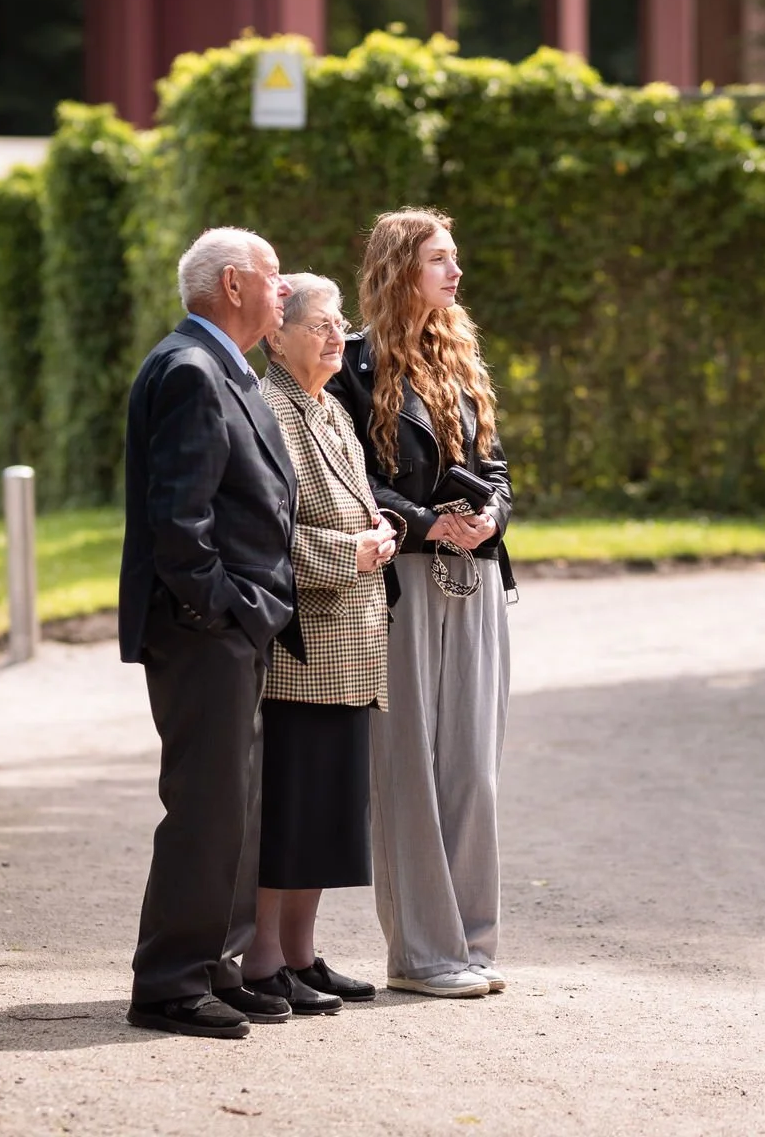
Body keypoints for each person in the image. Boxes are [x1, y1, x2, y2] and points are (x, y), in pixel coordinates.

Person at [119, 227, 305, 1040]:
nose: (284, 293)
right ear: (234, 285)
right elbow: (178, 520)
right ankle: (166, 984)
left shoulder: (218, 368)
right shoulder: (193, 370)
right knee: (205, 809)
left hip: (230, 626)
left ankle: (210, 968)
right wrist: (219, 611)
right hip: (207, 631)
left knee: (235, 808)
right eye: (273, 278)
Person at [328, 207, 515, 999]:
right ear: (402, 268)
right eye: (441, 258)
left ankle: (473, 944)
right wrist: (423, 519)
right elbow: (349, 476)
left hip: (477, 586)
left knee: (473, 770)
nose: (456, 271)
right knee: (409, 771)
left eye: (455, 257)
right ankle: (423, 956)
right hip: (402, 585)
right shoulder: (356, 367)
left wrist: (490, 516)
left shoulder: (460, 357)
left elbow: (496, 469)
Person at [240, 273, 401, 1015]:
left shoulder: (331, 407)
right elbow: (264, 538)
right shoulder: (267, 408)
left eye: (342, 324)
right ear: (278, 334)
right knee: (291, 814)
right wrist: (355, 555)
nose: (340, 337)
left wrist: (383, 532)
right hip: (302, 653)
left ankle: (301, 956)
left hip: (353, 649)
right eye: (322, 325)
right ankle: (263, 958)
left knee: (328, 818)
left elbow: (358, 505)